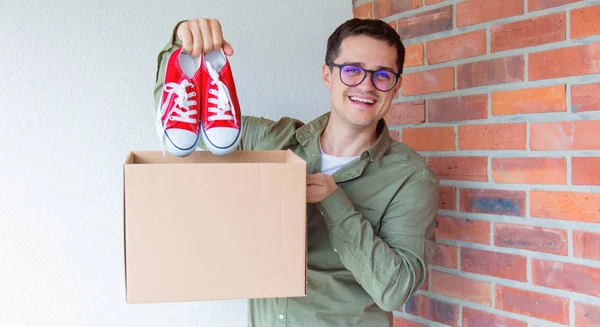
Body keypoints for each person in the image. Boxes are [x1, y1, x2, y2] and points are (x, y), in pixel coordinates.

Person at [153, 17, 439, 327]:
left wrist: (334, 202)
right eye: (352, 70)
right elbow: (181, 124)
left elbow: (394, 290)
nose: (367, 85)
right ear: (327, 75)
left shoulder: (411, 178)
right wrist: (183, 46)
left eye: (382, 75)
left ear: (395, 87)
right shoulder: (274, 141)